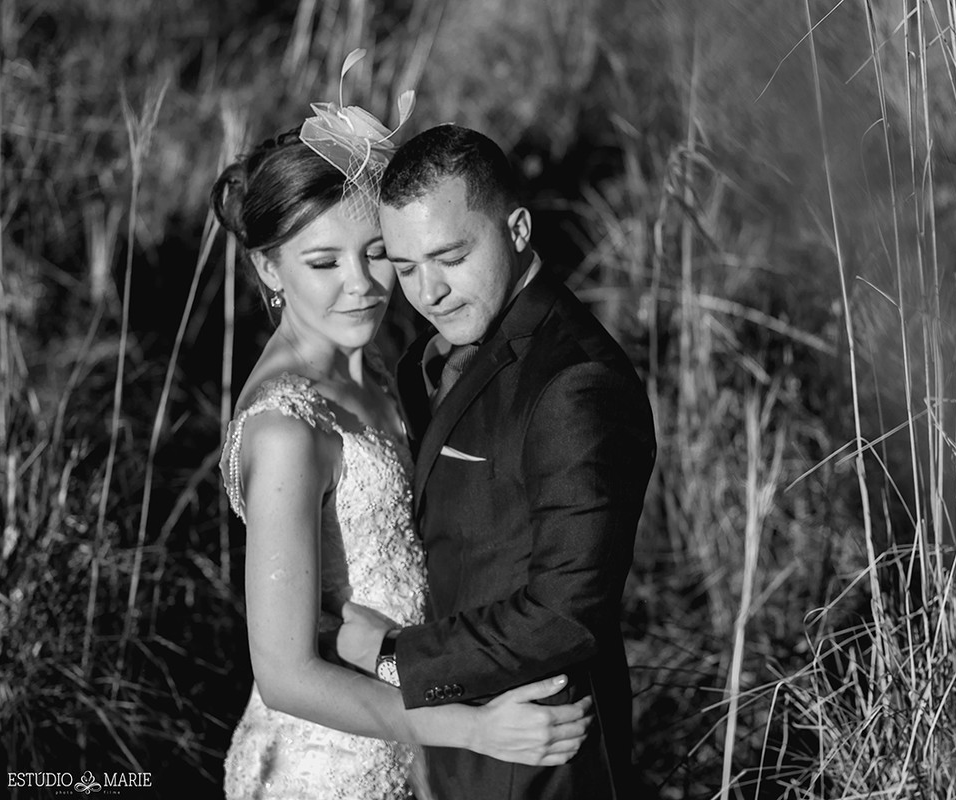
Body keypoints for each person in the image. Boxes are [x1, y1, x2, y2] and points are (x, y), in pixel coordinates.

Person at [210, 116, 593, 800]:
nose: (361, 285)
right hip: (327, 767)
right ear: (268, 267)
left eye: (377, 252)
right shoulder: (285, 430)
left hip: (408, 740)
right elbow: (285, 673)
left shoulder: (376, 367)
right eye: (323, 263)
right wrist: (469, 729)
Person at [338, 124, 656, 799]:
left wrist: (396, 655)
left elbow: (566, 610)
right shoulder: (429, 354)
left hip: (534, 759)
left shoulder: (575, 383)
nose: (430, 292)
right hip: (442, 748)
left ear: (516, 229)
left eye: (451, 255)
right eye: (404, 266)